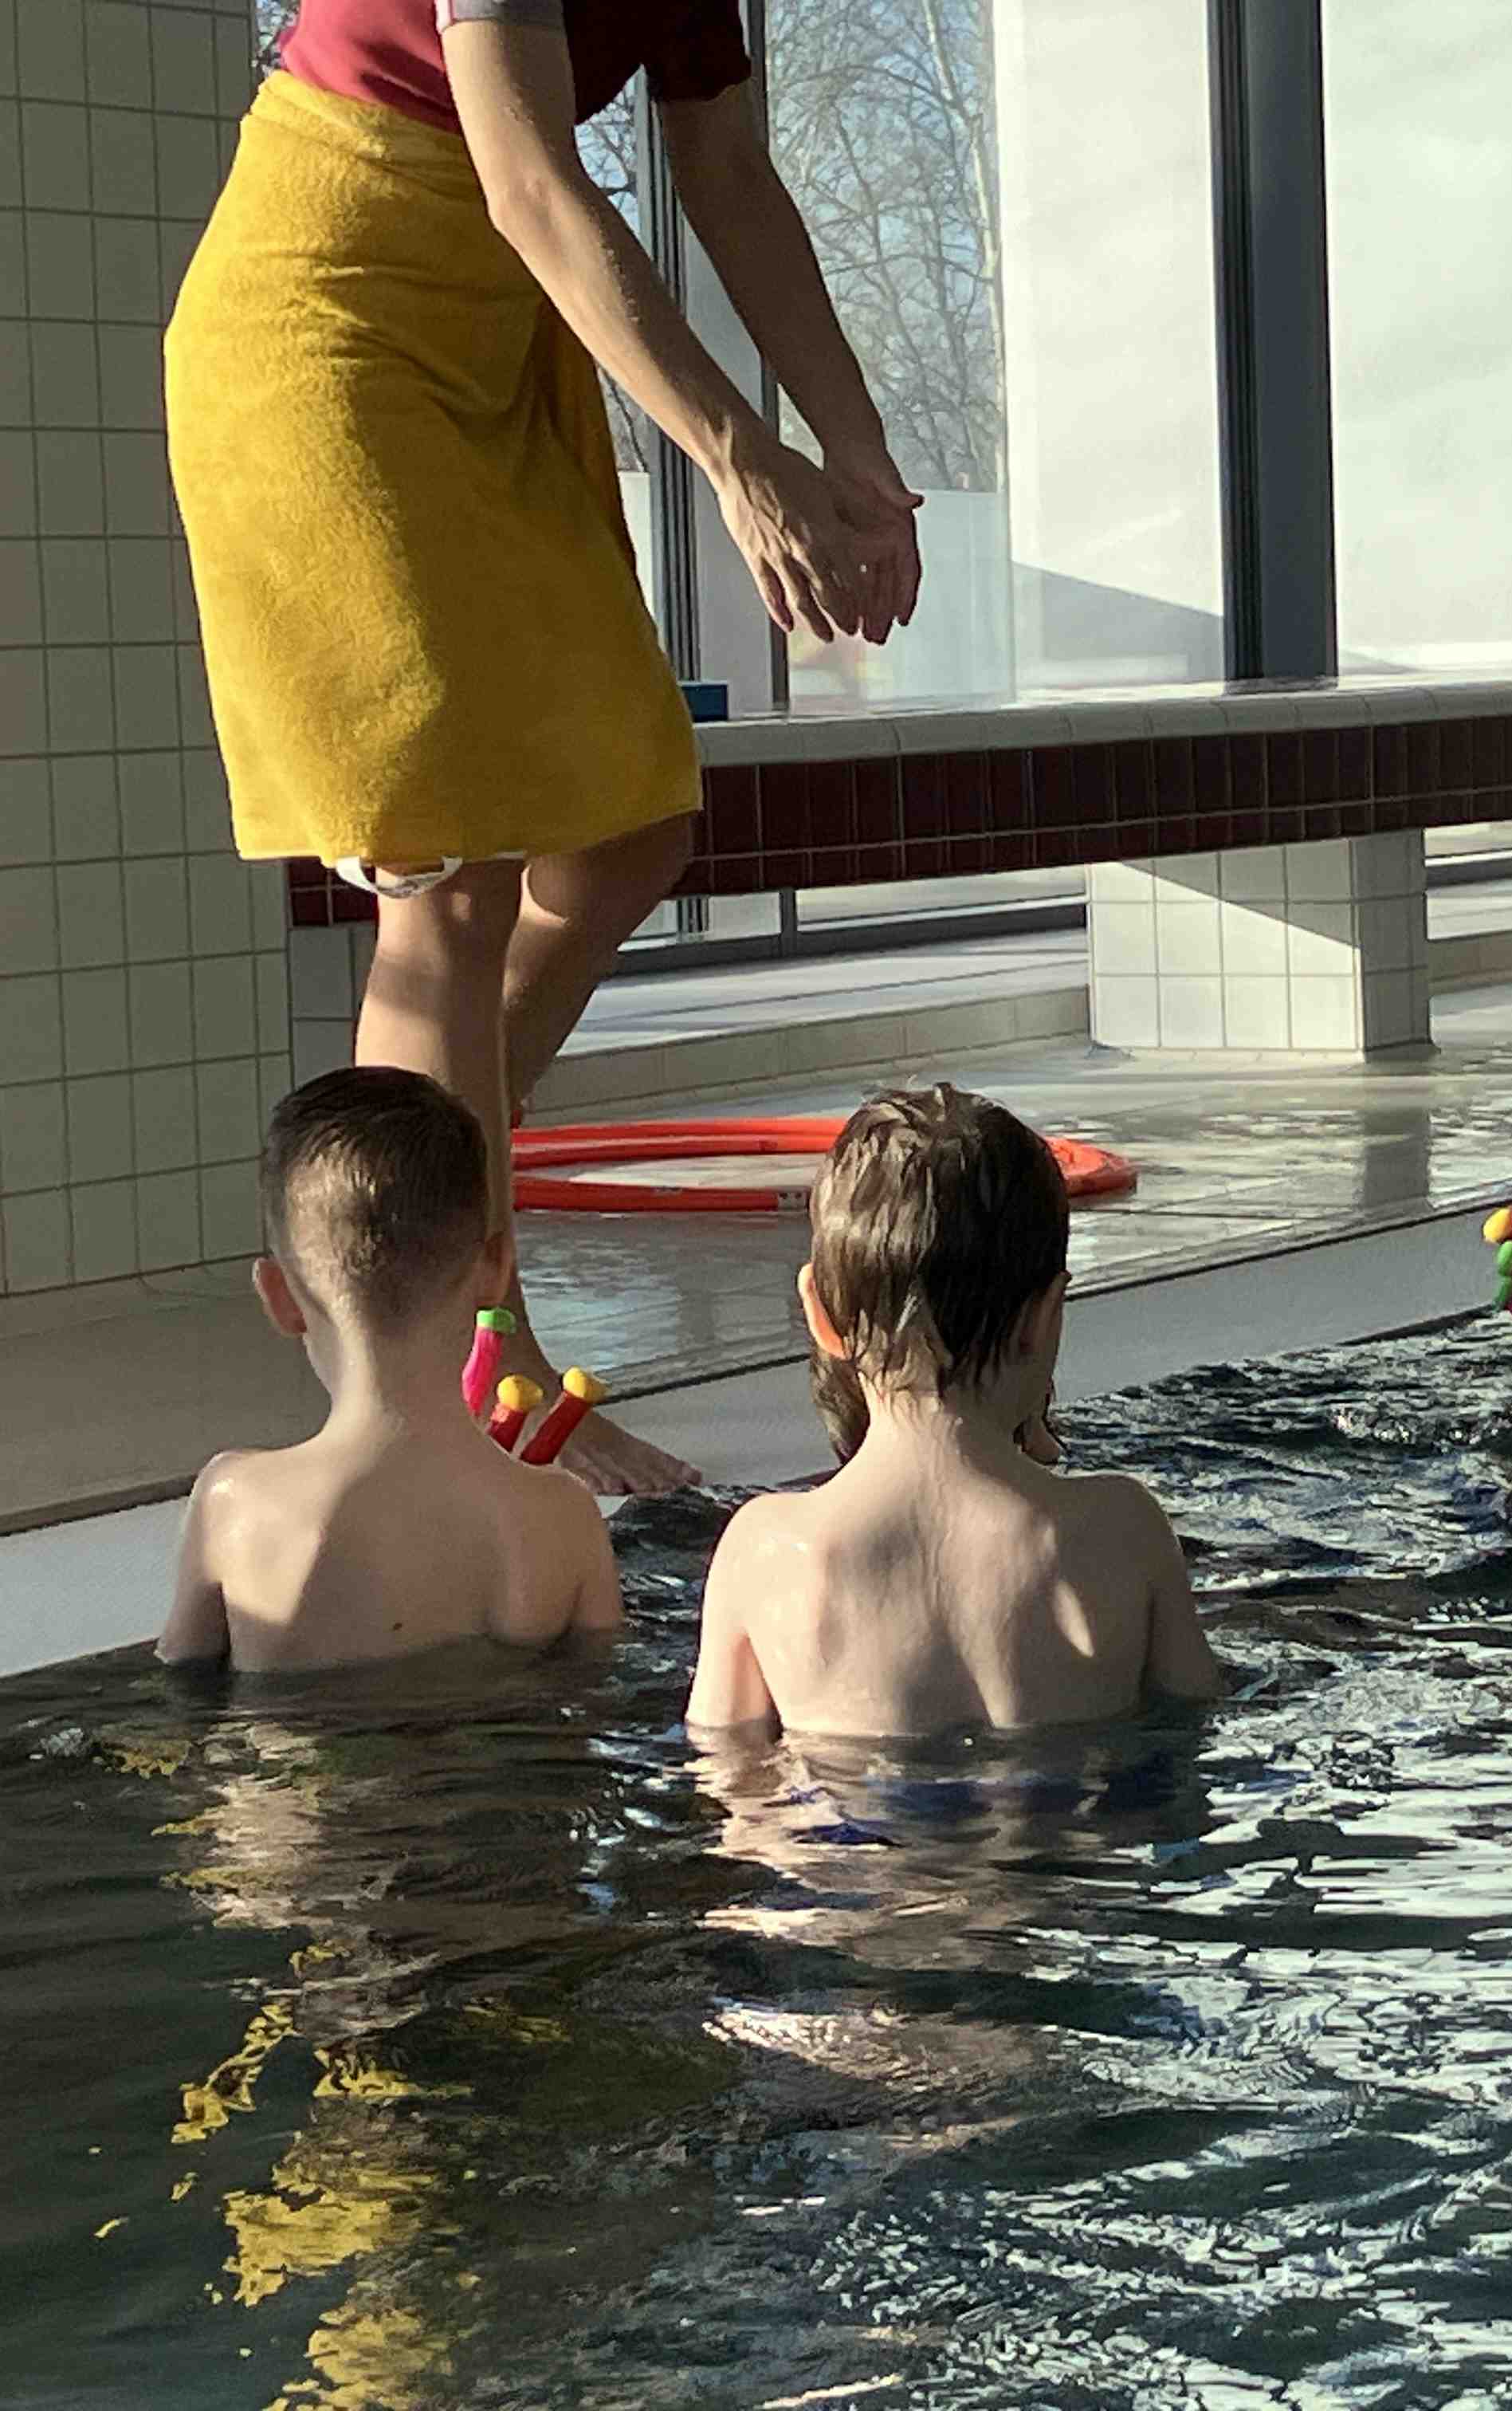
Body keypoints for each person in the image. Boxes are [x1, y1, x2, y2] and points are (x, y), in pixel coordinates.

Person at [166, 1, 927, 1494]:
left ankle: (387, 1229)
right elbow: (528, 176)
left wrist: (860, 452)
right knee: (446, 888)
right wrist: (736, 457)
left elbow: (729, 173)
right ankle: (468, 1372)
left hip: (501, 340)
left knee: (626, 828)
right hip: (331, 320)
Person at [687, 1088, 1226, 1739]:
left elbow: (727, 1768)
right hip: (1071, 1801)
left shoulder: (764, 1551)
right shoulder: (1121, 1530)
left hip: (841, 1806)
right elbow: (1193, 1727)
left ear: (820, 1318)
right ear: (1046, 1316)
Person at [162, 1068, 620, 1672]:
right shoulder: (561, 1516)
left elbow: (181, 1676)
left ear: (279, 1296)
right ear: (496, 1270)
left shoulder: (236, 1502)